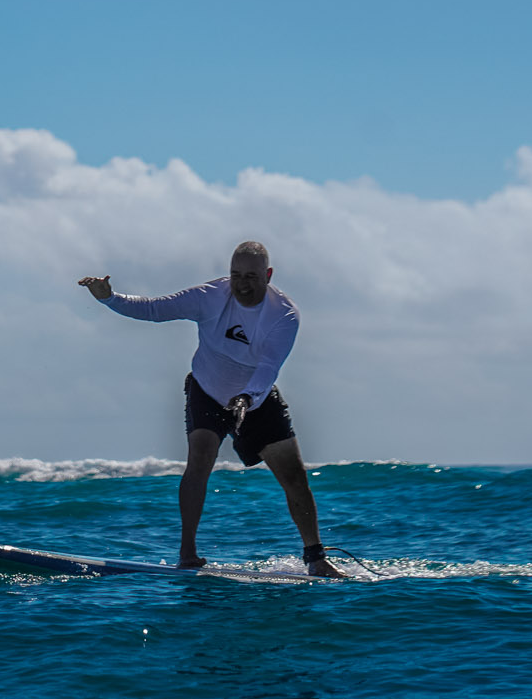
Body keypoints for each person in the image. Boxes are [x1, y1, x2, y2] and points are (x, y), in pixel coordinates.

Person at [78, 241, 344, 577]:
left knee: (294, 475)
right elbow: (155, 309)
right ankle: (187, 553)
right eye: (236, 275)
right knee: (200, 456)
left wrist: (246, 399)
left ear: (268, 275)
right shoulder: (210, 296)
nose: (242, 284)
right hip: (207, 390)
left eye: (251, 276)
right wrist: (110, 298)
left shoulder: (283, 315)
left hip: (256, 399)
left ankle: (315, 558)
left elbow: (268, 367)